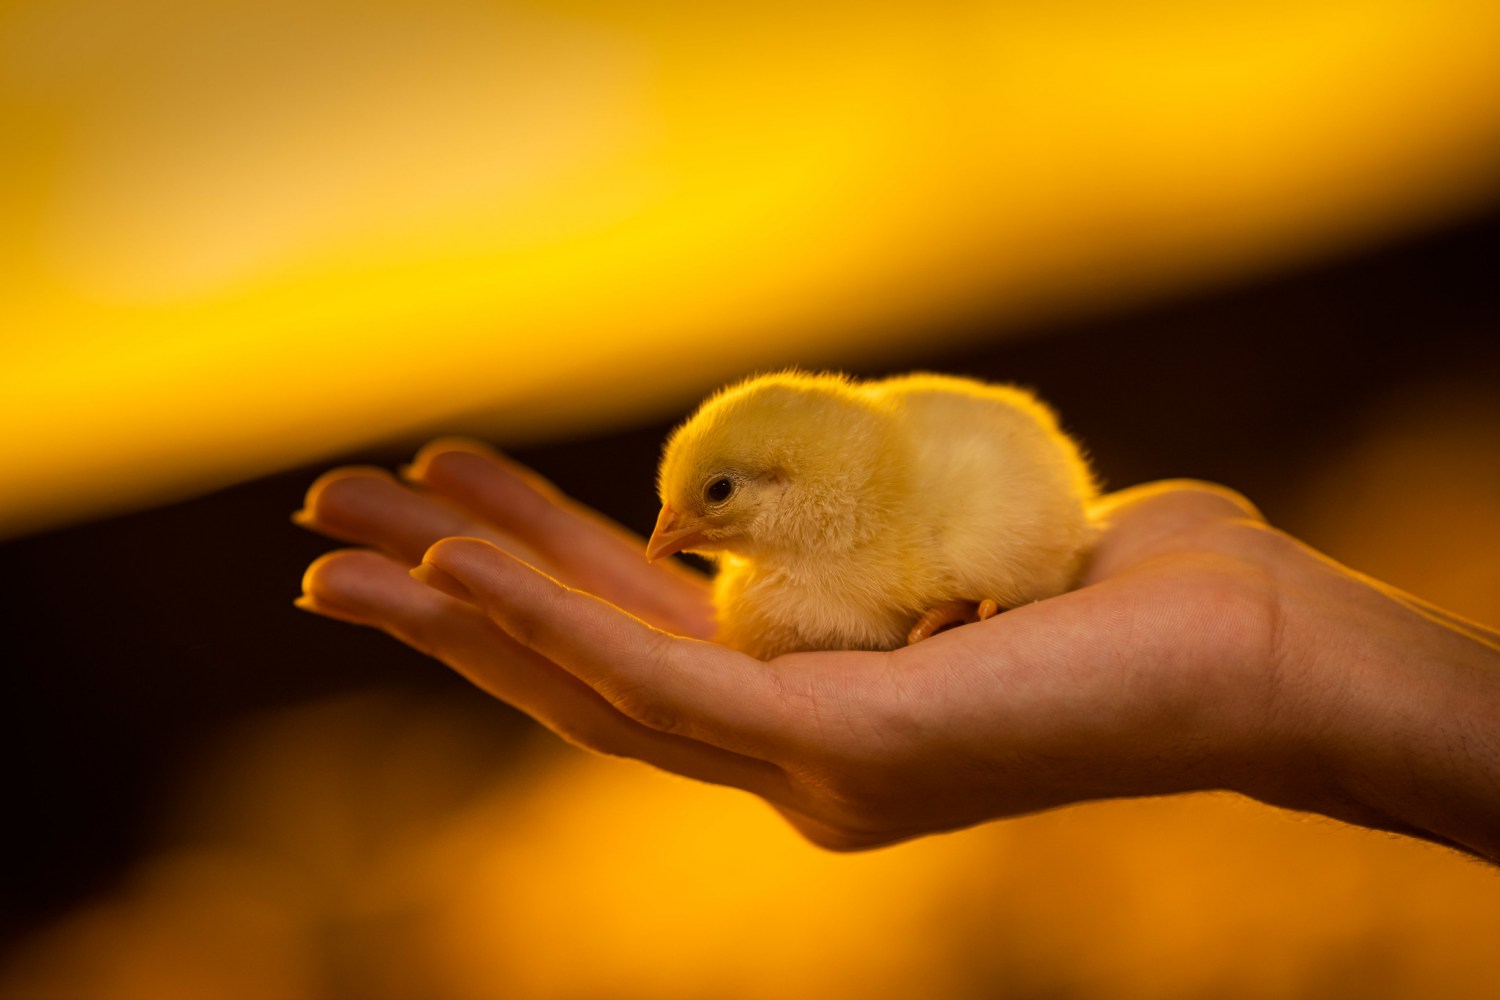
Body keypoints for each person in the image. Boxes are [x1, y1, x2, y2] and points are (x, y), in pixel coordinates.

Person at [294, 438, 1500, 864]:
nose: (674, 541)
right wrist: (1279, 648)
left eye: (703, 502)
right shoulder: (813, 548)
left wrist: (1277, 654)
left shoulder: (904, 525)